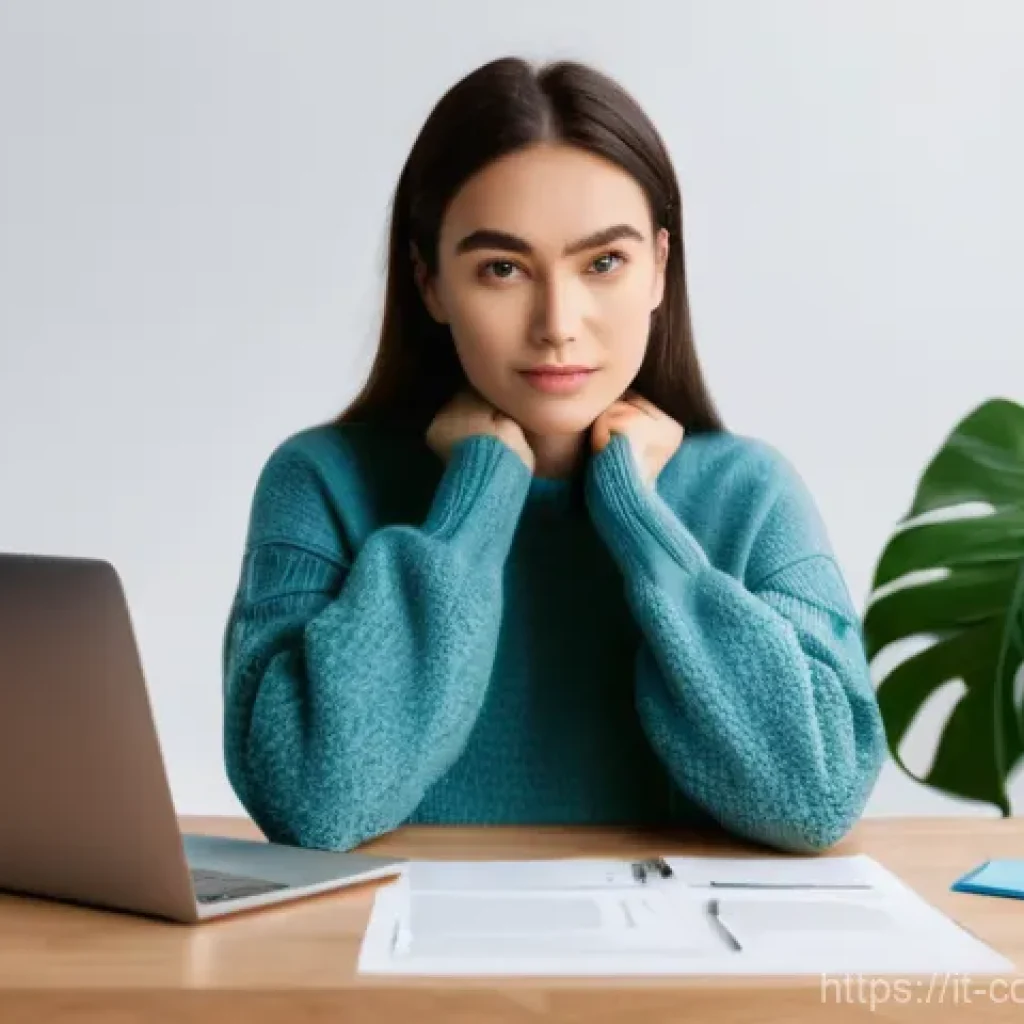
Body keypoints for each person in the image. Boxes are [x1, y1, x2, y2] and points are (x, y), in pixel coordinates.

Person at [221, 56, 887, 856]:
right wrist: (476, 503)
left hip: (674, 972)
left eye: (604, 263)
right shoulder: (323, 484)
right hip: (394, 972)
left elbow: (814, 798)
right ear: (430, 282)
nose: (558, 322)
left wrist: (640, 522)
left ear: (658, 271)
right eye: (502, 269)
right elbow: (315, 802)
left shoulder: (751, 493)